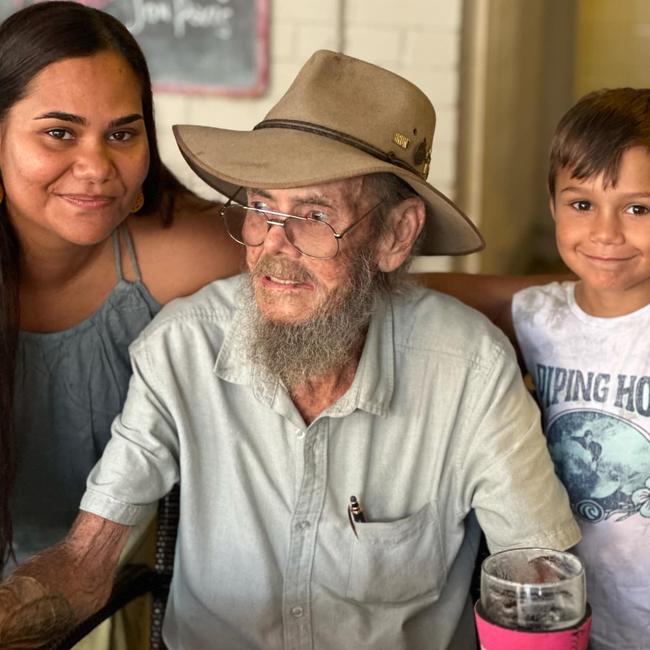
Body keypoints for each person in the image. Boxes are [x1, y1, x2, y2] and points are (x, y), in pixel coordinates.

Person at [0, 49, 580, 650]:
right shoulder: (182, 347)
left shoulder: (469, 371)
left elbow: (536, 583)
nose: (273, 247)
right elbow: (86, 561)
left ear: (396, 235)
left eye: (314, 215)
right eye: (260, 208)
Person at [0, 0, 241, 645]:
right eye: (58, 132)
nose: (97, 166)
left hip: (121, 587)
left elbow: (346, 269)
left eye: (122, 133)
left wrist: (544, 294)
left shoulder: (173, 252)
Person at [421, 87, 650, 650]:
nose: (605, 233)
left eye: (638, 208)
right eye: (581, 204)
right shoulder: (537, 315)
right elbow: (418, 295)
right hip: (565, 614)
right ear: (551, 205)